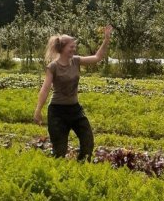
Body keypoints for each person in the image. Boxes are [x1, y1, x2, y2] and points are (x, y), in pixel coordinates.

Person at [34, 25, 112, 161]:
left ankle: (81, 168)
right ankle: (61, 175)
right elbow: (45, 89)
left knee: (88, 141)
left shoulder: (76, 61)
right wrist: (38, 110)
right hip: (57, 112)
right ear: (63, 48)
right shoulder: (53, 67)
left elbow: (97, 57)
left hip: (75, 109)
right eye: (71, 46)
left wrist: (106, 39)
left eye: (74, 46)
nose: (74, 49)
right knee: (59, 151)